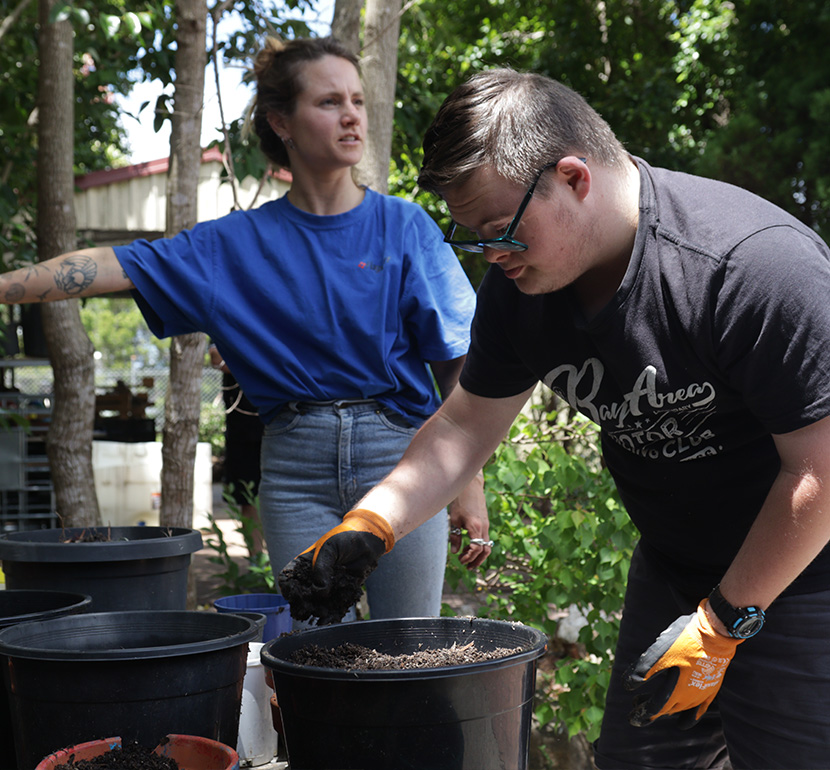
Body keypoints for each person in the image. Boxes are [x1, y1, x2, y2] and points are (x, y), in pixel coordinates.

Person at [277, 68, 830, 769]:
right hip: (673, 568)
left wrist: (723, 624)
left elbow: (821, 470)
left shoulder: (751, 268)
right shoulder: (527, 286)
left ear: (572, 177)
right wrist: (372, 522)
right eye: (473, 237)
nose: (492, 255)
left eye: (500, 230)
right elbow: (463, 425)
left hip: (805, 573)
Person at [0, 36, 490, 628]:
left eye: (357, 100)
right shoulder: (229, 247)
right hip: (296, 467)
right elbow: (115, 264)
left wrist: (467, 481)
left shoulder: (404, 227)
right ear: (281, 122)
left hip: (403, 458)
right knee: (311, 653)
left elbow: (460, 361)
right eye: (330, 101)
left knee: (410, 647)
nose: (352, 114)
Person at [208, 341, 265, 556]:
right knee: (246, 494)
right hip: (244, 428)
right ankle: (257, 561)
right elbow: (217, 357)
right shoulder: (229, 311)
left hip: (283, 423)